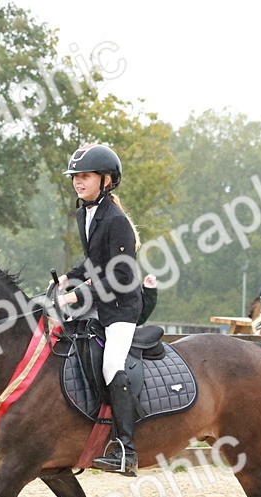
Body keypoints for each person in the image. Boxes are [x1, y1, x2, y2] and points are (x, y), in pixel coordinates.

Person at [59, 143, 158, 474]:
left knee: (111, 364)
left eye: (85, 176)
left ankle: (127, 450)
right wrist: (69, 278)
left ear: (106, 180)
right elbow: (94, 262)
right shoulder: (84, 213)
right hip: (99, 303)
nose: (78, 182)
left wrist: (79, 296)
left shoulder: (116, 220)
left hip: (121, 308)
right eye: (76, 177)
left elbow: (121, 276)